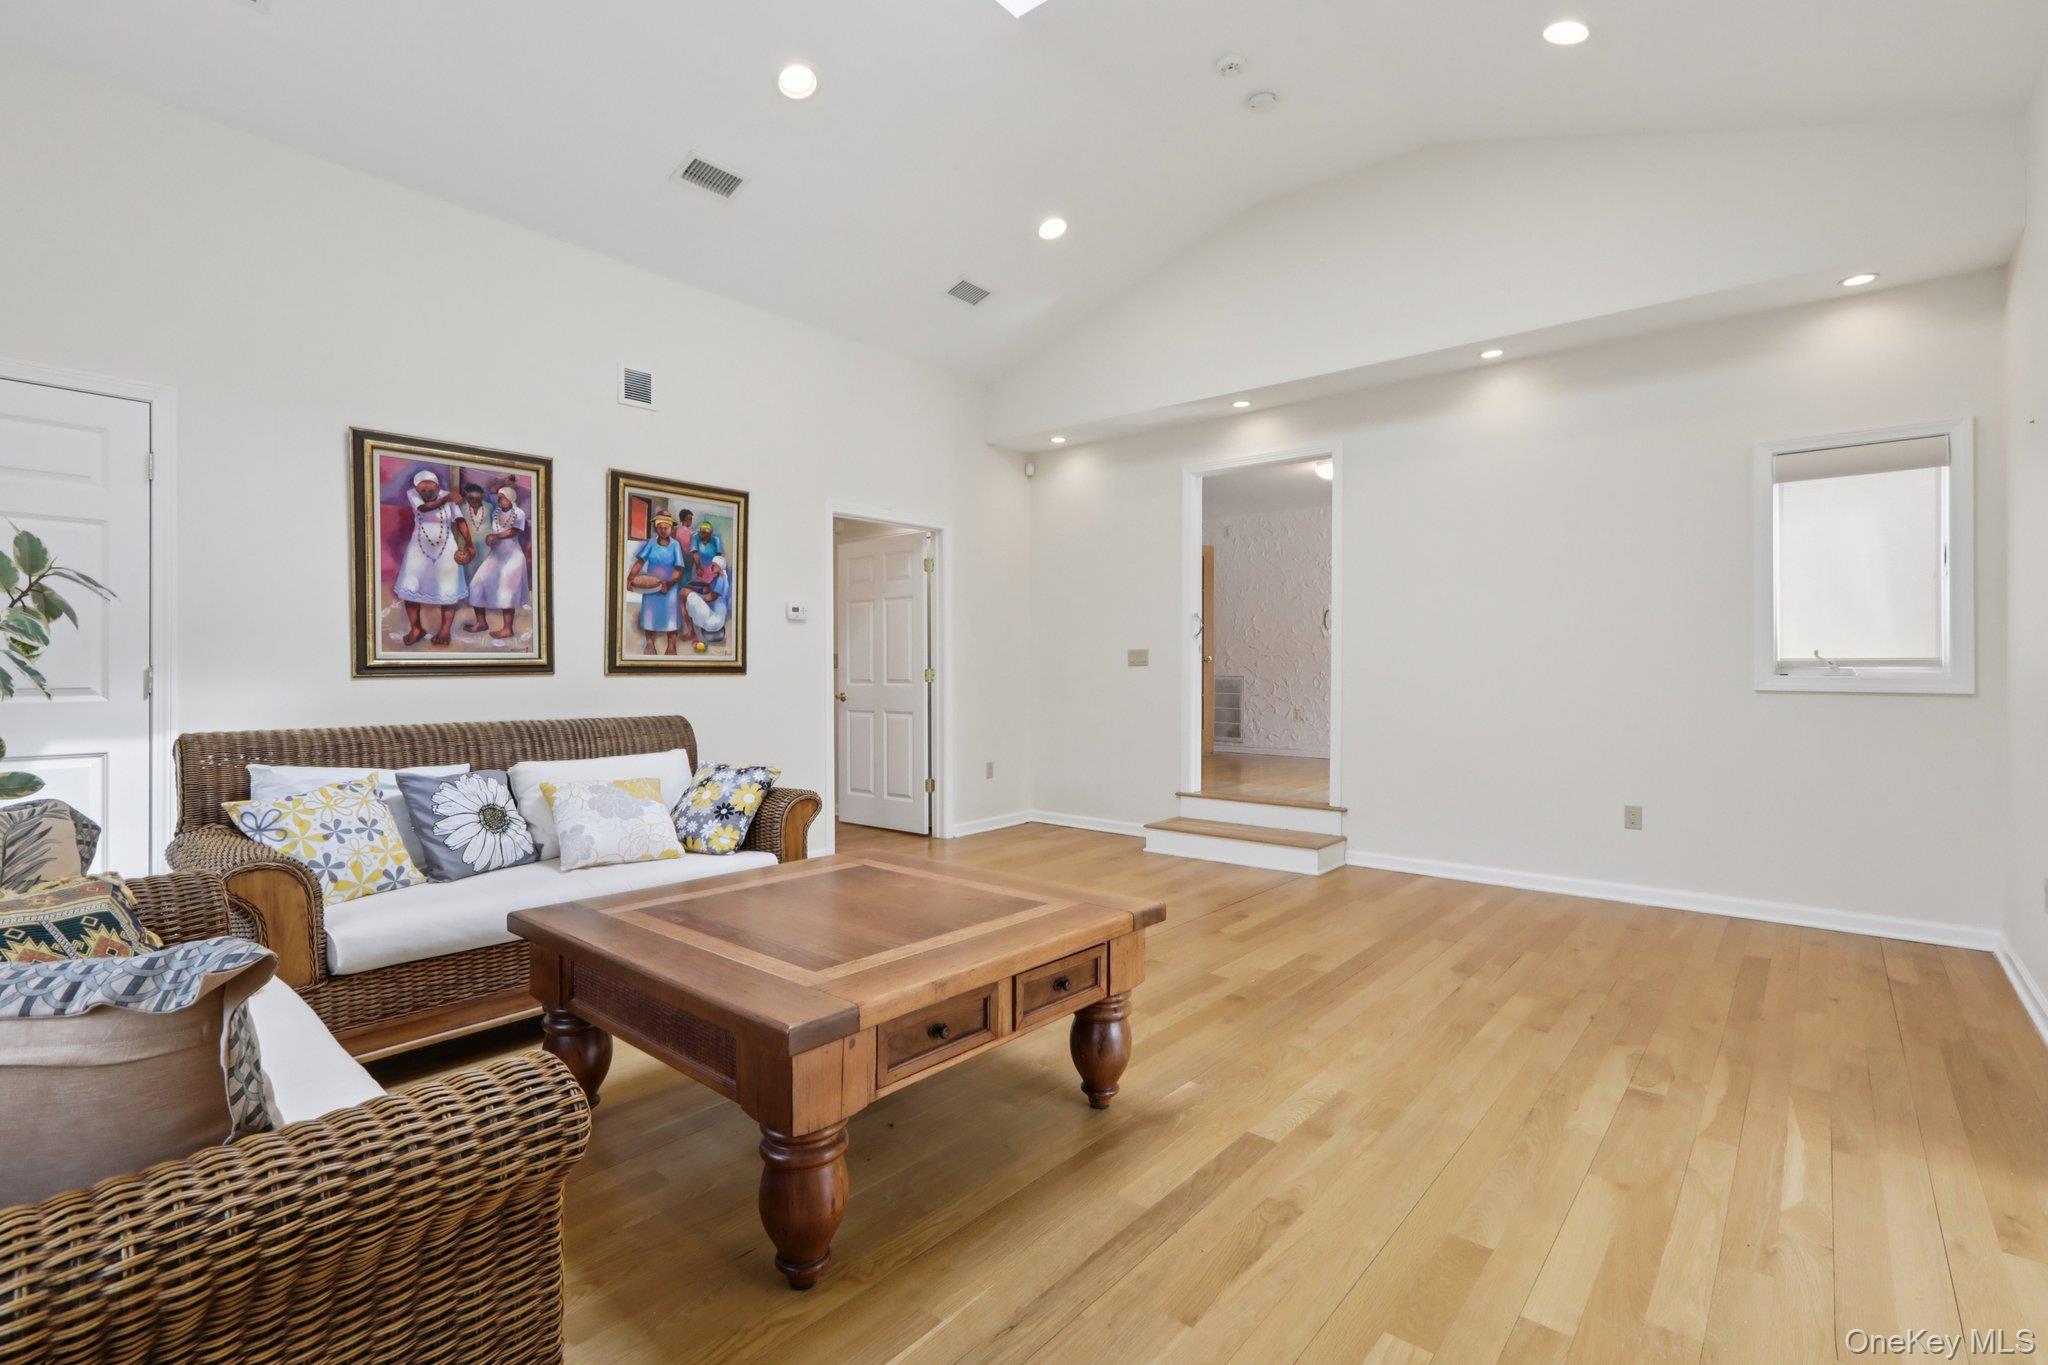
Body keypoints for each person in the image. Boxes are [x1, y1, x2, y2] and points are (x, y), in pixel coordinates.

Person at [391, 469, 466, 646]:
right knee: (410, 586)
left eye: (431, 490)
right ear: (417, 489)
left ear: (437, 487)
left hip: (446, 549)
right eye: (422, 490)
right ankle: (416, 628)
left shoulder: (447, 497)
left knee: (447, 588)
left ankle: (445, 629)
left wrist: (469, 545)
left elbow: (460, 520)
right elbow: (423, 508)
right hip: (418, 549)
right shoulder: (413, 494)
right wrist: (447, 499)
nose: (426, 493)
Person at [463, 481, 529, 640]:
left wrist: (495, 536)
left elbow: (514, 531)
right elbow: (491, 490)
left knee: (507, 592)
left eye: (501, 497)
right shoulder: (497, 511)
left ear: (510, 498)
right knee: (476, 585)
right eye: (498, 497)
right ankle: (481, 623)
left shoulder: (518, 513)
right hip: (495, 556)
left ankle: (507, 629)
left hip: (512, 558)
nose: (498, 500)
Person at [629, 511, 688, 655]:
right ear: (656, 528)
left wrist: (669, 583)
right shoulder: (651, 543)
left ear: (671, 529)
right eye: (660, 527)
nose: (663, 530)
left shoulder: (675, 545)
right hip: (651, 586)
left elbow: (678, 570)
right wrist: (630, 578)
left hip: (670, 587)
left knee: (671, 617)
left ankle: (671, 645)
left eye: (666, 527)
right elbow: (640, 562)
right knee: (650, 615)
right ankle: (650, 643)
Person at [454, 481, 495, 633]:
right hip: (469, 551)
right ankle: (481, 621)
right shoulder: (461, 508)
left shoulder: (489, 507)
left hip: (488, 552)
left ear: (482, 497)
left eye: (478, 499)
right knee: (473, 585)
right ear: (466, 497)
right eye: (471, 498)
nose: (475, 502)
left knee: (485, 584)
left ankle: (484, 621)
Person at [682, 553, 732, 649]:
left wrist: (696, 596)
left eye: (714, 565)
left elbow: (711, 597)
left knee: (684, 593)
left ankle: (691, 632)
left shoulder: (721, 579)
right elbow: (707, 588)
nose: (711, 567)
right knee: (688, 594)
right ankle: (692, 631)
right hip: (714, 618)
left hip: (714, 620)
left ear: (720, 567)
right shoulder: (718, 578)